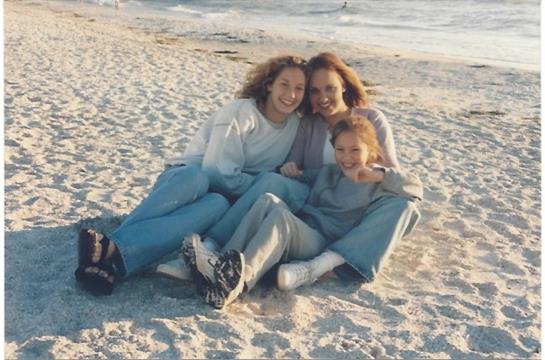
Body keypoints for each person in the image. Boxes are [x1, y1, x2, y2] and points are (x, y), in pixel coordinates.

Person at [74, 55, 307, 295]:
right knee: (197, 178)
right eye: (284, 84)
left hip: (221, 197)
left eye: (299, 88)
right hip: (184, 180)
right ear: (269, 84)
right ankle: (112, 247)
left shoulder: (295, 126)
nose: (291, 94)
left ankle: (106, 250)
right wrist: (257, 181)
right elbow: (217, 172)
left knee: (217, 205)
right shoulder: (240, 112)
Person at [185, 116, 423, 309]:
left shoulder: (376, 183)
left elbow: (414, 188)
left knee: (281, 218)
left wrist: (379, 174)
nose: (347, 157)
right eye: (340, 149)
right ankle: (221, 263)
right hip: (304, 228)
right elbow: (301, 175)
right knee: (269, 200)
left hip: (322, 242)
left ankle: (240, 280)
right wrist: (291, 170)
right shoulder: (329, 172)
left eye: (355, 150)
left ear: (370, 150)